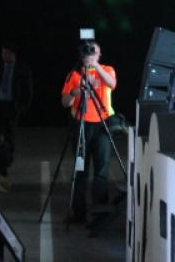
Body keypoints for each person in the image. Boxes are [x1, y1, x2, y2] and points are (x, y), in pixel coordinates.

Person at [61, 40, 117, 222]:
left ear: (99, 55)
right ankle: (79, 212)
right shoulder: (74, 74)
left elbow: (112, 83)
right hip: (81, 126)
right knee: (80, 170)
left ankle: (100, 213)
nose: (91, 55)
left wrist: (96, 66)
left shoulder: (107, 70)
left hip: (102, 126)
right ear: (81, 55)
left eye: (94, 52)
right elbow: (65, 102)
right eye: (88, 52)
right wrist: (75, 93)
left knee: (101, 170)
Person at [0, 44, 33, 150]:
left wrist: (22, 106)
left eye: (6, 53)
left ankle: (9, 151)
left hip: (12, 104)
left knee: (9, 129)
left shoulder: (22, 69)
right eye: (2, 53)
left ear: (13, 54)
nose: (3, 55)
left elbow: (28, 90)